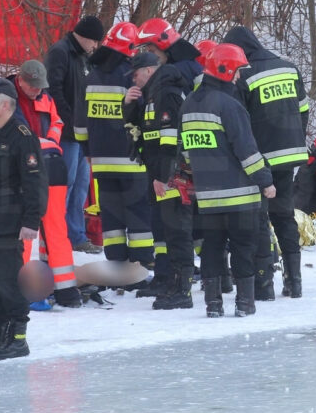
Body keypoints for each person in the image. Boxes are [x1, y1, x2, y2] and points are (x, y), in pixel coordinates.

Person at [179, 42, 276, 317]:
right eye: (236, 72)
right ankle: (245, 304)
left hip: (208, 198)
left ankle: (213, 305)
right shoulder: (229, 106)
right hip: (240, 195)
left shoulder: (187, 106)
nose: (238, 77)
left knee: (212, 248)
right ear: (224, 70)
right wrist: (266, 181)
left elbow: (185, 153)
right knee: (244, 248)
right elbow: (247, 151)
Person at [225, 25, 309, 300]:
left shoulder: (244, 75)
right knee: (284, 215)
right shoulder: (288, 68)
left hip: (261, 157)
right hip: (290, 153)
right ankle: (294, 281)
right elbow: (304, 110)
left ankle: (264, 284)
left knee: (260, 218)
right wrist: (295, 139)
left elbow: (239, 123)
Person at [0, 77, 48, 359]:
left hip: (8, 218)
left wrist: (31, 220)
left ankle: (17, 336)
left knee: (7, 279)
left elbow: (35, 182)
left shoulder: (21, 135)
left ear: (5, 105)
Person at [130, 18, 203, 308]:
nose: (134, 77)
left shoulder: (173, 83)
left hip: (177, 170)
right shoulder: (158, 89)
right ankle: (172, 281)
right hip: (165, 170)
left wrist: (165, 173)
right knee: (169, 227)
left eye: (148, 48)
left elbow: (171, 134)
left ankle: (181, 287)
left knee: (179, 229)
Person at [83, 22, 153, 266]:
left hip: (101, 162)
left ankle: (116, 264)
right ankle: (142, 264)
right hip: (132, 161)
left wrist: (87, 151)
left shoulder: (90, 78)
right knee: (138, 215)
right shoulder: (133, 77)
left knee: (111, 217)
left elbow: (80, 124)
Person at [10, 60, 79, 307]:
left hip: (42, 165)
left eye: (40, 87)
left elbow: (58, 123)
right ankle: (63, 291)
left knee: (31, 228)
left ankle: (36, 291)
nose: (37, 91)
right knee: (49, 230)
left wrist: (46, 143)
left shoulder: (40, 97)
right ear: (21, 79)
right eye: (33, 87)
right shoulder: (9, 95)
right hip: (46, 164)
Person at [45, 15, 105, 255]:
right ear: (86, 37)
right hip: (67, 134)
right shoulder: (60, 52)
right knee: (66, 185)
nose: (96, 47)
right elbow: (54, 90)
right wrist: (69, 121)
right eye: (95, 42)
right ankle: (57, 234)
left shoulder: (84, 57)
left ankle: (77, 235)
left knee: (81, 186)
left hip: (82, 135)